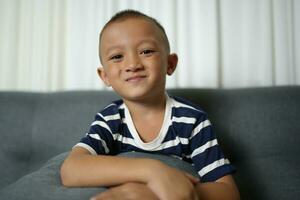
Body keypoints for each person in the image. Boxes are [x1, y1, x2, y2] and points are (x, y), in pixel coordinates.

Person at [60, 9, 240, 200]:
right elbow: (71, 169)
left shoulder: (191, 120)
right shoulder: (110, 119)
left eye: (146, 51)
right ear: (105, 76)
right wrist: (153, 171)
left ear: (170, 64)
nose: (132, 64)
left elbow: (229, 193)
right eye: (117, 56)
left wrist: (156, 194)